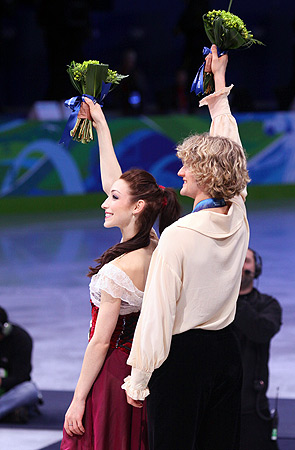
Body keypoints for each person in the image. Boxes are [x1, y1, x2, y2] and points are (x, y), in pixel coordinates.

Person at [122, 45, 250, 450]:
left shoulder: (179, 235)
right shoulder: (239, 213)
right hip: (227, 353)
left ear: (207, 176)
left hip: (181, 361)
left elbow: (158, 315)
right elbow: (231, 151)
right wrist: (218, 88)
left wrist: (139, 378)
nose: (178, 170)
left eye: (187, 166)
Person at [60, 95, 181, 450]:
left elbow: (100, 341)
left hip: (113, 374)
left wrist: (79, 398)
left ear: (138, 206)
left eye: (113, 199)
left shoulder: (118, 271)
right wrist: (100, 124)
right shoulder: (156, 244)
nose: (104, 202)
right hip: (144, 372)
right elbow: (116, 181)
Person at [233, 248, 282, 450]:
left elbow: (261, 331)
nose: (241, 266)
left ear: (256, 268)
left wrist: (231, 296)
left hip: (253, 405)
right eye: (236, 261)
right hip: (215, 401)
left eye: (246, 261)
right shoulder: (214, 305)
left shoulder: (268, 305)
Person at [0, 306, 42, 423]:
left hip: (10, 391)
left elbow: (22, 377)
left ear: (5, 329)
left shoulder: (21, 339)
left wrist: (2, 382)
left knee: (29, 390)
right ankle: (9, 413)